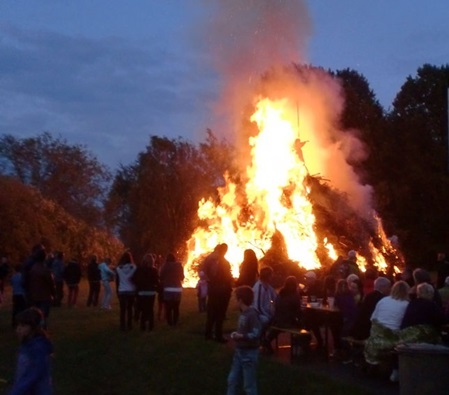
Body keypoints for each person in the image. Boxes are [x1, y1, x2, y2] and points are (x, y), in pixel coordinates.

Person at [8, 307, 53, 395]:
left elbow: (33, 374)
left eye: (23, 326)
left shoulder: (39, 348)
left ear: (34, 328)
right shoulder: (26, 345)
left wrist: (16, 391)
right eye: (18, 325)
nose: (18, 329)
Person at [364, 280, 410, 366]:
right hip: (393, 338)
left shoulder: (383, 301)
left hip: (376, 335)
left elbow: (373, 319)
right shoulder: (407, 305)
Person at [226, 286, 261, 395]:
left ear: (240, 300)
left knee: (248, 385)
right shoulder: (243, 313)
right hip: (239, 352)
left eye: (235, 298)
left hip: (249, 353)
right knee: (232, 380)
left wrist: (241, 336)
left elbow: (256, 333)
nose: (234, 301)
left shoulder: (252, 314)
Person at [204, 243, 233, 343]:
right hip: (222, 290)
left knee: (211, 312)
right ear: (224, 251)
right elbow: (227, 276)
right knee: (220, 314)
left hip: (212, 289)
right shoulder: (223, 262)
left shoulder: (209, 259)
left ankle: (208, 334)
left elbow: (205, 272)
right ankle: (218, 335)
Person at [264, 276, 301, 353]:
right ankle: (299, 346)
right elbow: (297, 311)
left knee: (279, 325)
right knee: (303, 325)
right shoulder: (294, 295)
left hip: (277, 319)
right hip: (287, 321)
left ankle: (268, 339)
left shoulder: (281, 293)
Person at [28, 249, 55, 329]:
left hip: (34, 296)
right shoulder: (45, 270)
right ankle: (41, 330)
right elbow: (51, 284)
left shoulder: (32, 270)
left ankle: (36, 328)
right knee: (43, 315)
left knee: (36, 314)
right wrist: (54, 294)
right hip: (45, 296)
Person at [132, 253, 159, 331]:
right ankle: (151, 326)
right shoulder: (154, 270)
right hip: (151, 292)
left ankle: (142, 326)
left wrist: (139, 285)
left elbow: (134, 279)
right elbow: (156, 281)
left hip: (142, 292)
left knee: (143, 309)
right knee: (150, 309)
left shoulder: (139, 269)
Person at [160, 253, 184, 327]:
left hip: (168, 289)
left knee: (168, 308)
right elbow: (182, 277)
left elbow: (161, 276)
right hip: (177, 289)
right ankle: (175, 322)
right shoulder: (179, 265)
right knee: (176, 307)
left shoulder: (165, 266)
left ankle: (170, 323)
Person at [115, 251, 137, 331]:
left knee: (122, 309)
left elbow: (117, 281)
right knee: (130, 309)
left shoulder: (118, 268)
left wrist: (117, 290)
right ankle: (129, 325)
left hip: (122, 290)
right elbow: (135, 279)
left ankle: (122, 326)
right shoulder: (134, 267)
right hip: (131, 290)